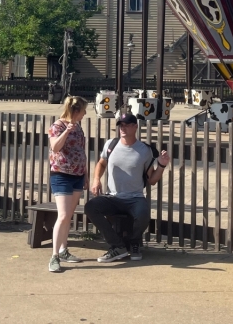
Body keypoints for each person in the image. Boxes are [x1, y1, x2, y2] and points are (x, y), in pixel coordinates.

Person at [86, 111, 170, 262]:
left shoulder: (145, 150)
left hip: (135, 198)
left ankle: (134, 242)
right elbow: (101, 163)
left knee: (143, 214)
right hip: (112, 197)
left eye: (127, 125)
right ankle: (117, 246)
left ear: (135, 127)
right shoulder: (110, 145)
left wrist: (162, 166)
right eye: (120, 125)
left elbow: (151, 180)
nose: (123, 128)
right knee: (91, 207)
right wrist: (96, 180)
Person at [46, 95, 89, 273]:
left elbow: (80, 150)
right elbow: (55, 147)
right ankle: (54, 256)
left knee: (69, 215)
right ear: (76, 111)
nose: (85, 114)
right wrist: (66, 131)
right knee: (63, 215)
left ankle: (64, 250)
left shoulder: (79, 127)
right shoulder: (57, 126)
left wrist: (85, 174)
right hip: (61, 174)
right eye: (84, 110)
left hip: (78, 175)